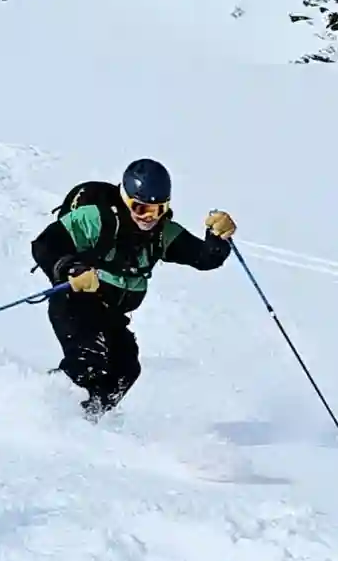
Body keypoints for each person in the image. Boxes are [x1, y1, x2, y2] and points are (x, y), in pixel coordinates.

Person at [29, 157, 236, 418]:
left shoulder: (162, 234)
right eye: (140, 209)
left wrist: (218, 240)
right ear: (126, 200)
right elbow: (46, 244)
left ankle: (84, 421)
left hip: (110, 315)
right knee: (87, 361)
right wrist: (71, 268)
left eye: (158, 210)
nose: (149, 218)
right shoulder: (98, 218)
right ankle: (40, 407)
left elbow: (204, 258)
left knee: (125, 368)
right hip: (76, 301)